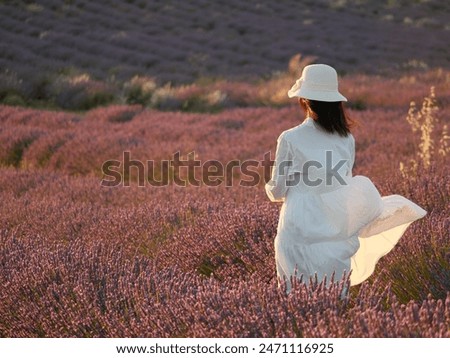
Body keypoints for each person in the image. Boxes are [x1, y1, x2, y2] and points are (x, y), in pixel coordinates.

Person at [265, 64, 427, 292]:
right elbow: (342, 186)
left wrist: (274, 186)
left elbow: (277, 191)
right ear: (335, 101)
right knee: (335, 302)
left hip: (297, 227)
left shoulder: (291, 138)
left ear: (304, 100)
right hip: (335, 228)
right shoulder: (346, 139)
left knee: (295, 301)